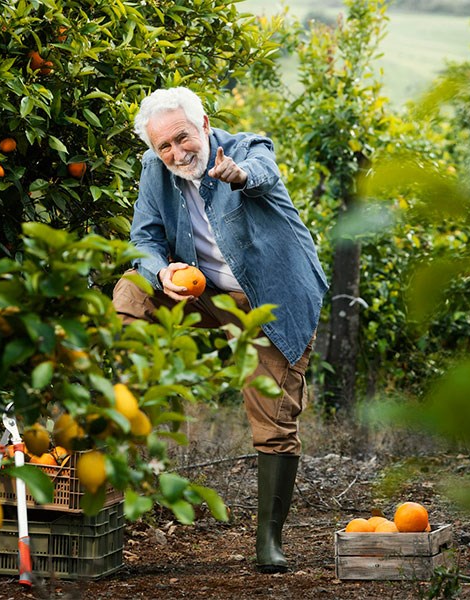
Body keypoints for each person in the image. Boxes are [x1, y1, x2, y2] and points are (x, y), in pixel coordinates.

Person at [112, 87, 328, 573]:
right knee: (131, 288)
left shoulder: (248, 149)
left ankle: (269, 540)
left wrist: (240, 174)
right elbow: (144, 238)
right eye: (162, 146)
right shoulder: (156, 171)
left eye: (182, 139)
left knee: (272, 411)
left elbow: (262, 172)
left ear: (204, 124)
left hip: (266, 297)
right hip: (199, 290)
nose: (175, 153)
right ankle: (139, 398)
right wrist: (160, 270)